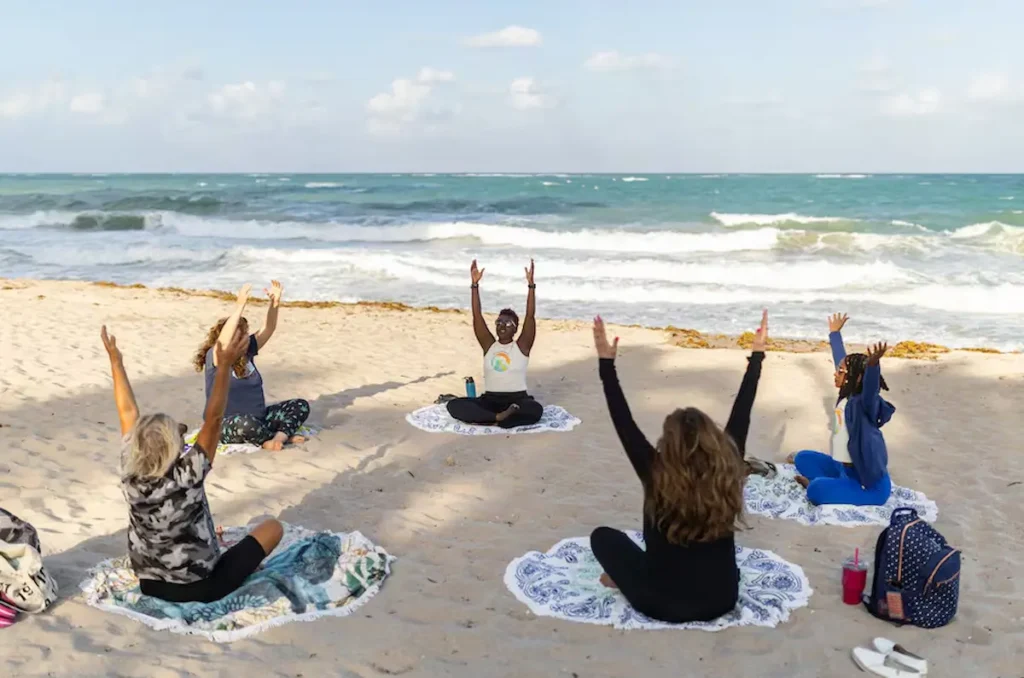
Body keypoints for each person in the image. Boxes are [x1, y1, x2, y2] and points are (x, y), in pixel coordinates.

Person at [104, 284, 282, 603]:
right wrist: (224, 366)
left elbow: (127, 411)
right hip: (200, 587)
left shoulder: (129, 470)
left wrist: (116, 363)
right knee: (272, 528)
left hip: (149, 583)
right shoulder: (189, 471)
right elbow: (214, 419)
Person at [588, 310, 767, 623]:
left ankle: (625, 580)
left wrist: (607, 365)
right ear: (714, 440)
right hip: (722, 599)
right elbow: (743, 412)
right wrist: (756, 357)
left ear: (667, 443)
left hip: (661, 603)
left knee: (602, 537)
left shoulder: (654, 471)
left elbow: (624, 422)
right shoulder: (728, 467)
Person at [192, 279, 309, 451]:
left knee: (300, 405)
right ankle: (277, 437)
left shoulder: (248, 351)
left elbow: (268, 328)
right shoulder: (216, 356)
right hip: (226, 424)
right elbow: (223, 341)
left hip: (259, 419)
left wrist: (274, 303)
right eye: (240, 335)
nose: (246, 338)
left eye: (246, 334)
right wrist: (239, 306)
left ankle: (278, 437)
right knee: (245, 424)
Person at [790, 313, 894, 506]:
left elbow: (871, 388)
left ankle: (823, 486)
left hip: (867, 483)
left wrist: (873, 366)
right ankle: (834, 484)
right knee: (802, 458)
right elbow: (841, 358)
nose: (836, 374)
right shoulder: (846, 395)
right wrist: (834, 334)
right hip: (842, 469)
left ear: (857, 378)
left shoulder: (865, 403)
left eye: (841, 372)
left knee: (815, 490)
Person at [445, 259, 544, 429]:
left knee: (535, 409)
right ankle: (499, 417)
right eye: (498, 322)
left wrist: (531, 286)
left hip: (517, 400)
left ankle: (493, 419)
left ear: (515, 330)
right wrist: (474, 285)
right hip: (490, 400)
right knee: (454, 405)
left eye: (507, 323)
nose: (501, 326)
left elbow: (530, 316)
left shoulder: (522, 347)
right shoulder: (489, 345)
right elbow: (477, 316)